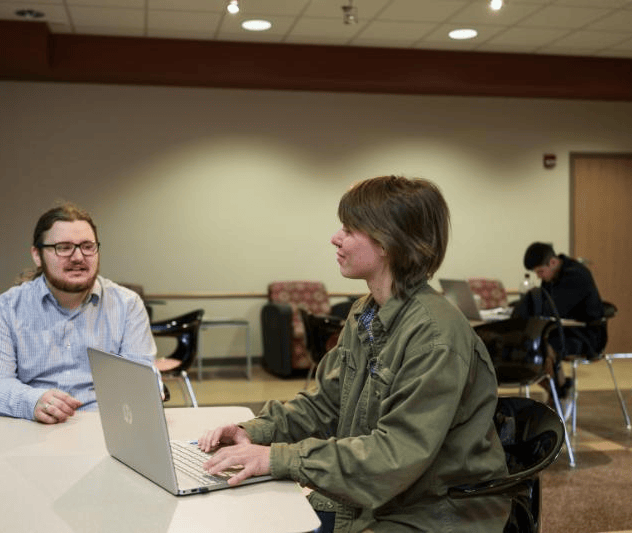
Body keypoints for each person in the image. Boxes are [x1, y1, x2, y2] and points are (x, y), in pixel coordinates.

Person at [199, 176, 508, 532]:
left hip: (434, 511)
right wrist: (254, 432)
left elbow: (395, 455)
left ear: (389, 242)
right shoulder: (366, 312)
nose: (335, 237)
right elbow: (326, 405)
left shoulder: (435, 336)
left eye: (349, 228)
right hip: (378, 498)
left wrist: (278, 458)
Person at [0, 202, 156, 424]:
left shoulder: (127, 305)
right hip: (31, 427)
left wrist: (147, 388)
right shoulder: (7, 308)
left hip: (105, 428)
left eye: (87, 246)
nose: (78, 257)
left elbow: (139, 381)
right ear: (37, 255)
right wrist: (33, 401)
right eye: (63, 247)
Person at [518, 242, 605, 399]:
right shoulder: (551, 276)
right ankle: (561, 388)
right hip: (563, 330)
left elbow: (551, 310)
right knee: (524, 346)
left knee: (542, 346)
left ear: (552, 262)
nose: (539, 277)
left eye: (540, 272)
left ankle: (557, 395)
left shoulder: (577, 275)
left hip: (588, 335)